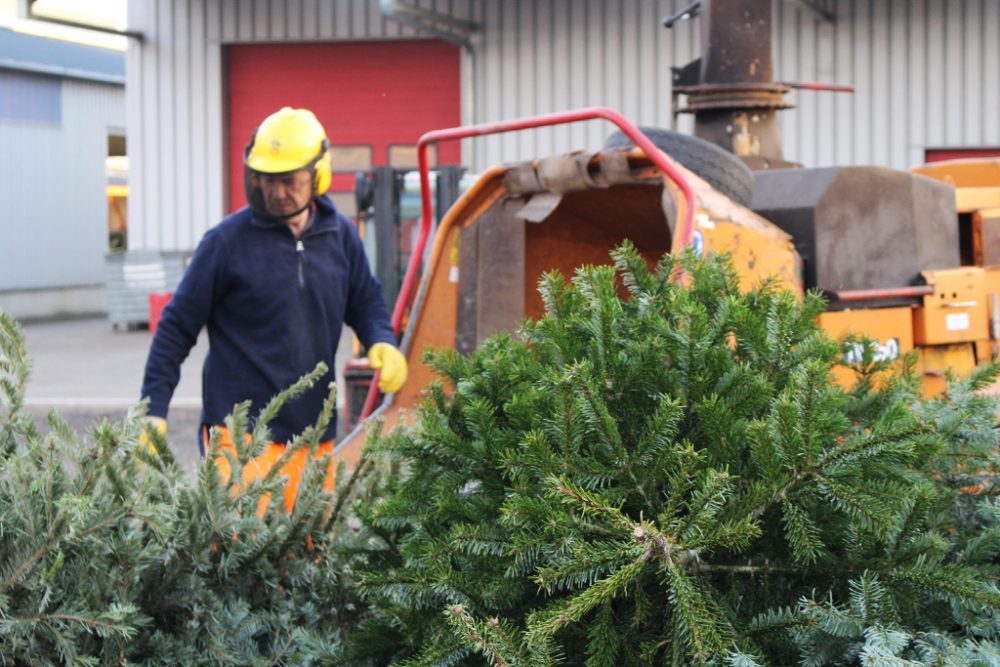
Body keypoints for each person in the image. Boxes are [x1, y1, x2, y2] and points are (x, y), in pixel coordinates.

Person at [140, 107, 407, 510]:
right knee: (240, 550)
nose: (277, 192)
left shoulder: (341, 237)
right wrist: (153, 408)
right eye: (267, 180)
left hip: (313, 432)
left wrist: (381, 339)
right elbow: (176, 327)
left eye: (290, 181)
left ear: (319, 174)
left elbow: (365, 299)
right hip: (238, 433)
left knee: (309, 553)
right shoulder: (226, 242)